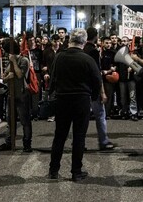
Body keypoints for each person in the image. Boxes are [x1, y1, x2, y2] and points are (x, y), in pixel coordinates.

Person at [48, 28, 102, 181]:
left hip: (62, 99)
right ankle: (76, 172)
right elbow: (97, 80)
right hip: (81, 100)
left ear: (69, 40)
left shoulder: (59, 57)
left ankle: (53, 170)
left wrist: (51, 92)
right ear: (84, 42)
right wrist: (94, 97)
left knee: (59, 136)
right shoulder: (87, 59)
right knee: (79, 137)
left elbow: (52, 78)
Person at [0, 40, 32, 152]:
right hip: (11, 94)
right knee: (10, 121)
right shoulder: (9, 62)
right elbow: (5, 78)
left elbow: (20, 75)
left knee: (24, 121)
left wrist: (14, 63)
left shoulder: (24, 60)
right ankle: (9, 142)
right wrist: (7, 76)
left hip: (22, 94)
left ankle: (27, 144)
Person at [83, 27, 115, 150]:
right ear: (96, 36)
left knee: (83, 117)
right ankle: (103, 141)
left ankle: (80, 142)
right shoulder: (94, 51)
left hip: (83, 88)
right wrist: (102, 91)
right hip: (93, 88)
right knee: (100, 114)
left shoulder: (82, 50)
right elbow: (96, 73)